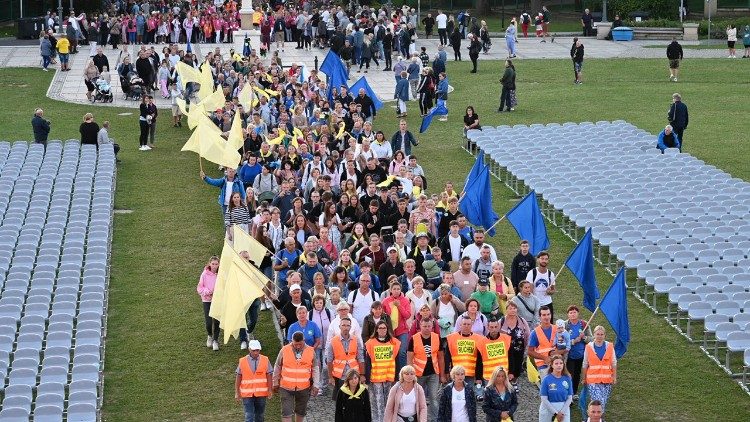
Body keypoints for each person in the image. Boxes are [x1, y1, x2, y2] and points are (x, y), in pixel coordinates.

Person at [273, 331, 320, 422]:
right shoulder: (284, 350)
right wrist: (275, 382)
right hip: (286, 388)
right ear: (291, 341)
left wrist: (316, 385)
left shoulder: (311, 351)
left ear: (304, 340)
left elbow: (315, 369)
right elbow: (277, 366)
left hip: (304, 388)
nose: (298, 346)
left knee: (300, 412)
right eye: (295, 344)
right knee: (286, 413)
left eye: (300, 344)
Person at [407, 317, 444, 421]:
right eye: (424, 326)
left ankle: (434, 419)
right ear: (420, 326)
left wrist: (442, 375)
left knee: (434, 399)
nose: (427, 328)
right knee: (418, 399)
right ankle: (418, 419)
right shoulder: (414, 338)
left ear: (432, 326)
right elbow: (409, 357)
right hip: (418, 374)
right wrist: (410, 375)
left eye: (429, 326)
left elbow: (441, 357)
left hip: (434, 373)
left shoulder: (437, 337)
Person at [364, 320, 400, 422]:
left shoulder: (394, 342)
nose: (382, 330)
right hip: (375, 378)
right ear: (376, 330)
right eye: (380, 328)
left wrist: (397, 377)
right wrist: (367, 378)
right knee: (377, 403)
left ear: (387, 329)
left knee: (389, 402)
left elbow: (396, 360)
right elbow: (368, 361)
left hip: (389, 377)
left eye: (384, 328)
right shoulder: (370, 343)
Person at [326, 317, 365, 399]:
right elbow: (329, 360)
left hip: (354, 375)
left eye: (348, 325)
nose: (346, 327)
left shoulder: (356, 340)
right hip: (340, 376)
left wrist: (362, 375)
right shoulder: (333, 341)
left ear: (350, 327)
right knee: (341, 400)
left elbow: (361, 358)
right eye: (343, 325)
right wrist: (330, 377)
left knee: (354, 399)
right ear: (339, 326)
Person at [582, 325, 617, 414]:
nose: (599, 336)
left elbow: (614, 363)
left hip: (607, 380)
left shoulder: (609, 346)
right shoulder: (589, 347)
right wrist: (584, 378)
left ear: (604, 335)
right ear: (594, 334)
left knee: (603, 403)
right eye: (598, 334)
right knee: (598, 402)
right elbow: (585, 364)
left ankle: (597, 418)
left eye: (601, 334)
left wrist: (614, 377)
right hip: (593, 381)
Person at [235, 340, 273, 422]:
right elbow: (238, 376)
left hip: (261, 394)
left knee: (260, 416)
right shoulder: (242, 361)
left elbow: (269, 375)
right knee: (249, 416)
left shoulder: (265, 360)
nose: (256, 352)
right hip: (247, 394)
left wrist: (270, 390)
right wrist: (237, 392)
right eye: (253, 350)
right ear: (249, 349)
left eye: (257, 350)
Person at [446, 315, 484, 391]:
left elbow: (480, 360)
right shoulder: (451, 338)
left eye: (468, 324)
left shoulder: (479, 339)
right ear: (460, 325)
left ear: (471, 325)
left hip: (471, 374)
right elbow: (447, 357)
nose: (466, 326)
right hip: (456, 374)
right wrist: (446, 371)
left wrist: (479, 377)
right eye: (464, 324)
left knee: (469, 396)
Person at [498, 302, 530, 389]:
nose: (513, 310)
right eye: (510, 308)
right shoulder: (501, 321)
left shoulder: (522, 320)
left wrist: (526, 346)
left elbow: (527, 333)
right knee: (506, 367)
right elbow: (496, 334)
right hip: (506, 350)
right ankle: (505, 383)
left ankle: (514, 382)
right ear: (506, 310)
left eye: (514, 308)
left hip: (519, 348)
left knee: (517, 367)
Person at [565, 305, 592, 400]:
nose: (573, 314)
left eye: (574, 312)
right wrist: (573, 341)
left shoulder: (584, 324)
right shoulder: (565, 325)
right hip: (569, 356)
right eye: (570, 312)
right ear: (568, 315)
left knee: (577, 374)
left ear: (578, 313)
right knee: (569, 375)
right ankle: (569, 394)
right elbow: (561, 341)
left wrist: (584, 337)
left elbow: (592, 339)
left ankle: (574, 393)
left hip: (581, 355)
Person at [539, 355, 573, 422]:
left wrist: (561, 412)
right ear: (552, 365)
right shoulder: (546, 379)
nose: (559, 365)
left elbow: (569, 397)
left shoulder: (567, 379)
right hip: (548, 408)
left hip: (563, 408)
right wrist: (555, 413)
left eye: (561, 363)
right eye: (556, 363)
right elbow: (544, 398)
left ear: (563, 365)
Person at [197, 256, 220, 351]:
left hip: (218, 300)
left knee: (217, 321)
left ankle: (215, 340)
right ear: (209, 264)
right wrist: (208, 292)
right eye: (213, 264)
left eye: (216, 264)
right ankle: (210, 335)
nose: (214, 266)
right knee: (209, 322)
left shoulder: (221, 274)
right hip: (207, 300)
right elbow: (199, 288)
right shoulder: (204, 274)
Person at [528, 306, 557, 379]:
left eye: (548, 314)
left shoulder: (556, 329)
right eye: (544, 315)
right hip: (543, 365)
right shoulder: (535, 333)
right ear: (540, 317)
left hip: (557, 363)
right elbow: (530, 351)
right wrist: (544, 358)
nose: (546, 317)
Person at [527, 251, 555, 317]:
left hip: (547, 303)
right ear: (538, 260)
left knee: (548, 324)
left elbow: (553, 290)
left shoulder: (551, 274)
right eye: (542, 258)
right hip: (535, 303)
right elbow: (529, 290)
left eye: (546, 259)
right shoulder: (532, 273)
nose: (544, 261)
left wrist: (549, 292)